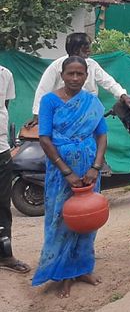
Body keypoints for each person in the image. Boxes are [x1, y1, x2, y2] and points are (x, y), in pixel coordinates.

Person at [32, 57, 107, 297]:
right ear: (62, 75)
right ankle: (62, 274)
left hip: (89, 171)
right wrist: (67, 171)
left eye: (80, 74)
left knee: (87, 219)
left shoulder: (92, 102)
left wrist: (95, 167)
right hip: (60, 172)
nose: (75, 78)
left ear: (86, 76)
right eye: (70, 74)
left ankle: (83, 268)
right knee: (61, 220)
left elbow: (102, 136)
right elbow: (44, 138)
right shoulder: (50, 101)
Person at [28, 32, 130, 126]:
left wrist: (123, 95)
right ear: (75, 49)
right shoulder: (57, 65)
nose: (89, 50)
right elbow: (43, 89)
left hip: (87, 114)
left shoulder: (92, 65)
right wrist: (37, 114)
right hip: (62, 115)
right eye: (86, 47)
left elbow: (109, 82)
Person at [0, 64, 29, 273]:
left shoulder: (5, 73)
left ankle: (5, 255)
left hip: (1, 150)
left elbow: (5, 106)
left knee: (2, 205)